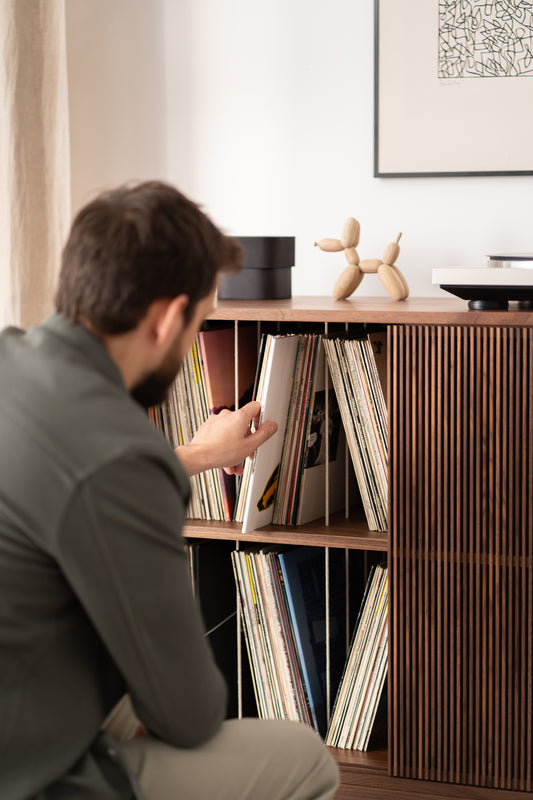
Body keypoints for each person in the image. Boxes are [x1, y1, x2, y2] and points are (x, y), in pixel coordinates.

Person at [0, 181, 339, 800]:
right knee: (305, 758)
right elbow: (188, 716)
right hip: (30, 772)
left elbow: (68, 481)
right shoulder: (120, 456)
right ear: (164, 321)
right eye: (199, 327)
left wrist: (201, 454)